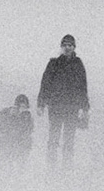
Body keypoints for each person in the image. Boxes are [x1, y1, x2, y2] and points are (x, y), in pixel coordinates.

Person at [37, 35, 89, 163]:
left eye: (70, 45)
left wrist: (85, 107)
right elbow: (45, 84)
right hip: (56, 106)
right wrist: (41, 104)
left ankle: (67, 168)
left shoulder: (78, 64)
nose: (67, 47)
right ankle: (51, 167)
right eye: (65, 45)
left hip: (72, 107)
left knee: (69, 139)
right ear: (61, 47)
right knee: (54, 137)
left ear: (74, 47)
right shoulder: (53, 63)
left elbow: (82, 86)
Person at [0, 94, 34, 169]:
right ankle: (3, 163)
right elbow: (0, 127)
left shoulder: (27, 116)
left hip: (19, 141)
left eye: (25, 107)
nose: (22, 110)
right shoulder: (6, 113)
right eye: (21, 107)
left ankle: (20, 164)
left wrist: (22, 137)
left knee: (27, 142)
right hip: (5, 140)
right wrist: (12, 117)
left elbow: (29, 130)